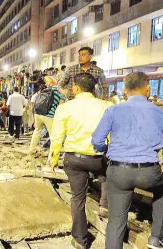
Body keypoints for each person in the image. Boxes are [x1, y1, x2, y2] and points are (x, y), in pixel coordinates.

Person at [91, 72, 163, 249]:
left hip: (119, 170)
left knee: (116, 221)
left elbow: (97, 141)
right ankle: (156, 238)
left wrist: (107, 152)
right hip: (149, 172)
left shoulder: (113, 110)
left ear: (125, 91)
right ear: (147, 87)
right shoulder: (161, 113)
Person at [49, 73, 111, 249]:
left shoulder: (65, 108)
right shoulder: (107, 106)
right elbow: (113, 136)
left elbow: (57, 137)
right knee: (107, 176)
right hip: (100, 158)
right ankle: (104, 205)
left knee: (78, 198)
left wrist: (54, 158)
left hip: (74, 159)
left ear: (75, 87)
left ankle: (79, 240)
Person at [30, 81, 64, 154]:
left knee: (37, 130)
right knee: (53, 136)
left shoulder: (48, 89)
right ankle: (52, 155)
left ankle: (32, 149)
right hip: (49, 115)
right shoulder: (61, 93)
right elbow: (61, 107)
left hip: (38, 113)